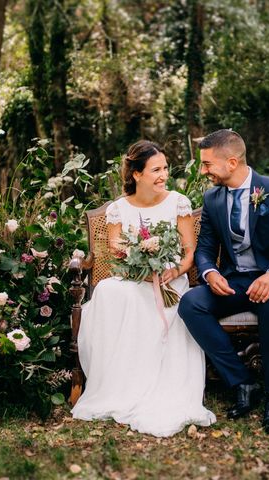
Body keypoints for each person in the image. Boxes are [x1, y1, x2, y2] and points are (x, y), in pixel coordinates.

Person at [71, 140, 216, 437]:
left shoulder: (178, 202)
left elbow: (189, 252)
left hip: (169, 278)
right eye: (156, 170)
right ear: (136, 174)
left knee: (157, 300)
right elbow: (116, 250)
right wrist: (140, 262)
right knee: (111, 292)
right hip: (133, 276)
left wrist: (172, 269)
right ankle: (122, 384)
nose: (163, 175)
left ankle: (163, 385)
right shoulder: (118, 209)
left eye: (165, 168)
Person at [178, 129, 269, 435]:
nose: (203, 171)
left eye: (207, 164)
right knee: (191, 303)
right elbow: (206, 248)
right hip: (236, 281)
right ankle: (243, 382)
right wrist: (210, 273)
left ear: (232, 162)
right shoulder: (212, 198)